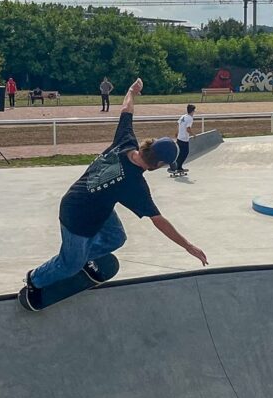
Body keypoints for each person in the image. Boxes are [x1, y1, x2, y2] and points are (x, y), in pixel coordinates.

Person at [20, 78, 208, 311]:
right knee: (69, 265)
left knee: (116, 238)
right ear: (158, 164)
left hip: (92, 204)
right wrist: (188, 246)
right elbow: (159, 221)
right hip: (77, 217)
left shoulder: (126, 141)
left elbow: (126, 109)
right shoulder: (135, 185)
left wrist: (132, 90)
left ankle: (84, 257)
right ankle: (34, 280)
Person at [170, 104, 197, 174]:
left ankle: (177, 167)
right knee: (185, 153)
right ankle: (177, 167)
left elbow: (178, 125)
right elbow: (188, 129)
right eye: (194, 111)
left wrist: (176, 133)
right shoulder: (190, 118)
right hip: (184, 139)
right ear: (192, 111)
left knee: (179, 153)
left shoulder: (183, 116)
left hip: (179, 137)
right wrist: (193, 135)